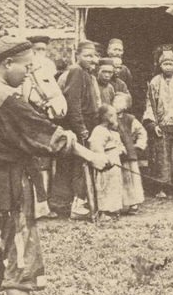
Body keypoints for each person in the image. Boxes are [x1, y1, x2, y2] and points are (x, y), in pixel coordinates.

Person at [0, 37, 110, 295]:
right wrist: (93, 156)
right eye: (25, 67)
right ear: (7, 64)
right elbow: (49, 134)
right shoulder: (8, 99)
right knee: (19, 253)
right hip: (10, 185)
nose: (28, 73)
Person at [52, 41, 103, 217]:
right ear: (77, 55)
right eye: (87, 55)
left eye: (94, 55)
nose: (92, 59)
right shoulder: (76, 71)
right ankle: (74, 205)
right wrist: (81, 128)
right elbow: (73, 103)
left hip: (86, 124)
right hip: (77, 126)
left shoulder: (88, 74)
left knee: (80, 165)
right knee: (77, 166)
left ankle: (72, 203)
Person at [143, 47, 173, 199]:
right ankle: (161, 188)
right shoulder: (155, 82)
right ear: (160, 65)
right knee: (162, 158)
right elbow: (150, 103)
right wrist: (153, 125)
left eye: (171, 64)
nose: (168, 67)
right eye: (165, 64)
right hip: (161, 125)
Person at [88, 104, 126, 217]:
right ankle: (105, 212)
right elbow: (96, 148)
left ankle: (114, 210)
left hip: (115, 165)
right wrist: (104, 159)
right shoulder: (99, 131)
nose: (116, 118)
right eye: (114, 115)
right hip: (106, 167)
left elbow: (119, 146)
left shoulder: (113, 132)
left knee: (115, 187)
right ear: (108, 117)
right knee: (105, 187)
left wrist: (121, 150)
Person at [114, 92, 147, 212]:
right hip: (116, 154)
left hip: (129, 153)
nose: (117, 105)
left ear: (126, 105)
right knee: (118, 179)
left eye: (120, 102)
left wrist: (138, 146)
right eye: (115, 102)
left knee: (131, 179)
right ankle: (118, 204)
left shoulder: (130, 119)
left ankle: (133, 203)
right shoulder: (109, 118)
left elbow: (141, 132)